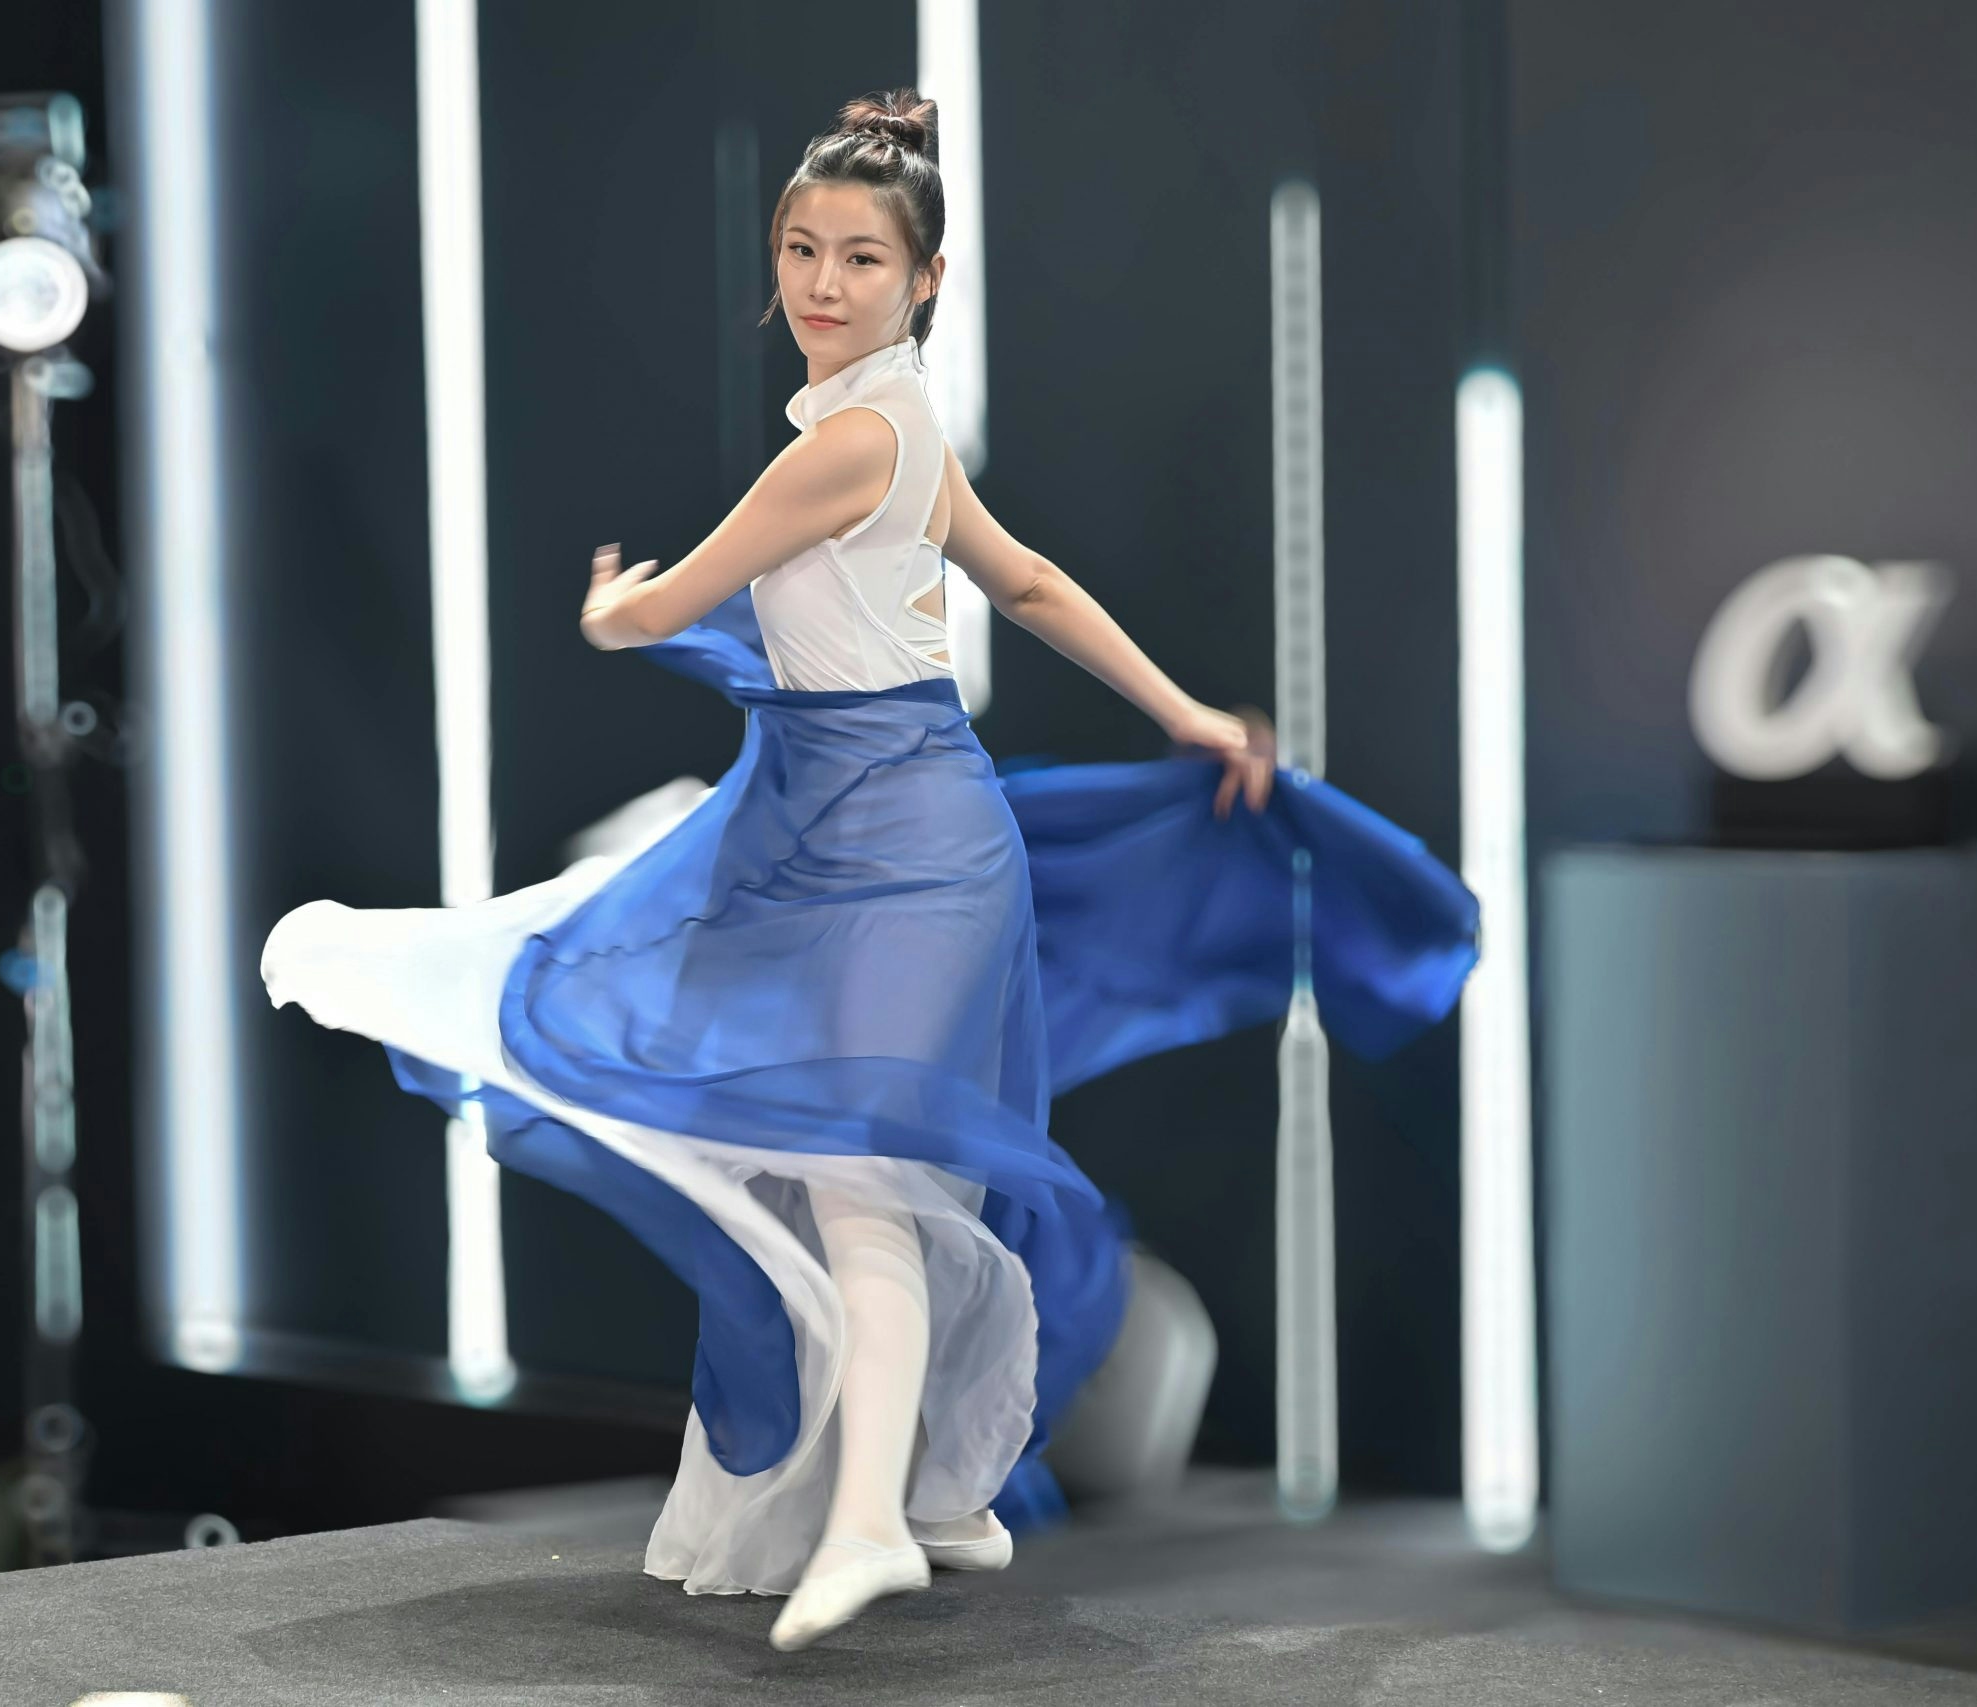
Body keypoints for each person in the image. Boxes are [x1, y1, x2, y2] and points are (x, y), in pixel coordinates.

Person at [261, 89, 1478, 1652]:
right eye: (801, 250)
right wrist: (1181, 710)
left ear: (926, 280)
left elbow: (673, 605)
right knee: (864, 1177)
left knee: (857, 1183)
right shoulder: (894, 426)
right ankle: (939, 1486)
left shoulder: (847, 444)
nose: (823, 283)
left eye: (860, 257)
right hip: (841, 825)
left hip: (902, 848)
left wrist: (616, 609)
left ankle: (872, 1524)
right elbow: (1027, 583)